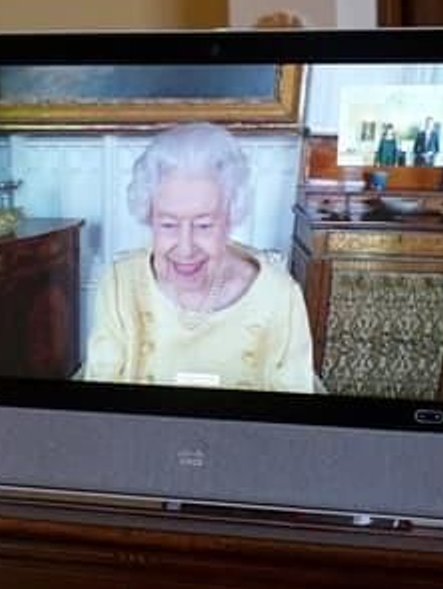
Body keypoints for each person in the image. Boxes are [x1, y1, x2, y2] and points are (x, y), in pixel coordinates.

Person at [82, 122, 317, 392]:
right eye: (168, 224)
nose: (185, 248)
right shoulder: (118, 286)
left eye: (204, 225)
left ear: (231, 218)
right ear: (149, 217)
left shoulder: (279, 297)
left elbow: (290, 422)